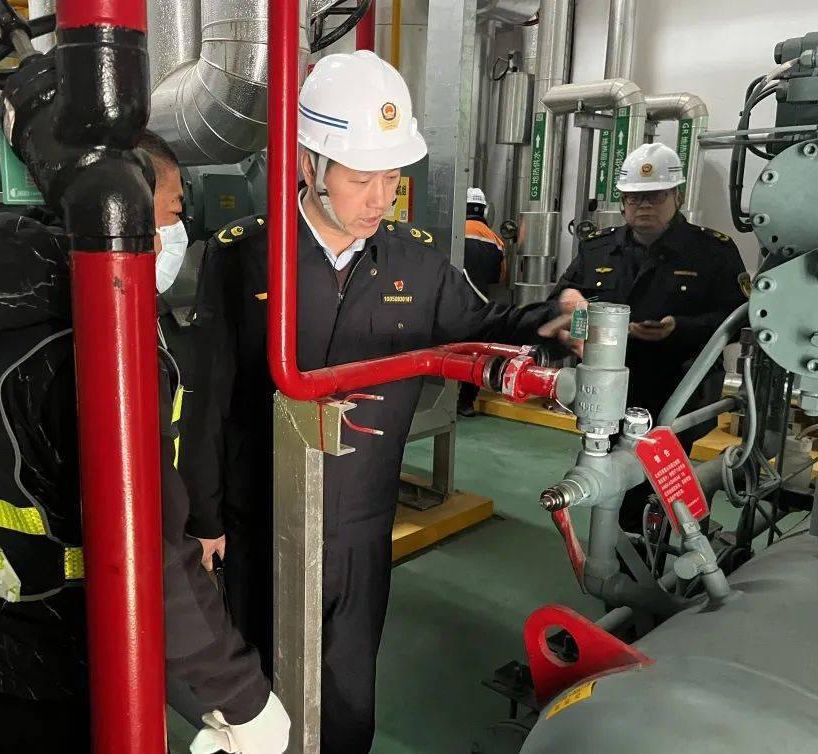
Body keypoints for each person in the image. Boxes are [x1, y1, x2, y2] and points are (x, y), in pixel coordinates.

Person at [179, 50, 584, 754]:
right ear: (309, 165)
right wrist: (205, 518)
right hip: (261, 513)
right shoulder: (245, 256)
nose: (380, 198)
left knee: (347, 683)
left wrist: (548, 321)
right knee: (261, 681)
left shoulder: (416, 263)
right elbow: (209, 394)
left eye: (392, 178)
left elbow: (483, 328)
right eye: (361, 178)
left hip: (363, 519)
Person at [0, 125, 287, 753]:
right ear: (120, 210)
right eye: (171, 210)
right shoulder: (91, 349)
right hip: (70, 641)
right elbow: (144, 545)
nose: (176, 233)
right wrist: (240, 695)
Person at [551, 142, 748, 532]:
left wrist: (681, 328)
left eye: (655, 195)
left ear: (677, 196)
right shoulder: (598, 249)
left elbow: (742, 319)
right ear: (623, 202)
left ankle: (647, 547)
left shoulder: (712, 251)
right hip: (608, 390)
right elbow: (561, 304)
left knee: (656, 484)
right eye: (634, 197)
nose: (643, 205)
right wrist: (576, 318)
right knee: (606, 474)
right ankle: (617, 547)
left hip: (679, 388)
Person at [457, 187, 507, 416]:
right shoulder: (496, 240)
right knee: (476, 355)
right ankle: (466, 402)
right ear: (486, 211)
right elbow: (500, 277)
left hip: (450, 303)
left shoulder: (453, 231)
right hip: (480, 305)